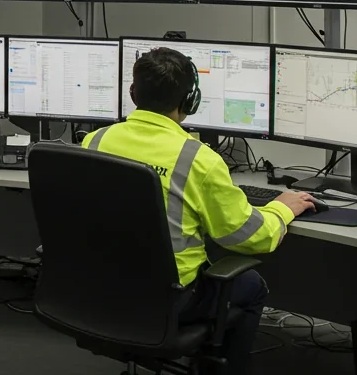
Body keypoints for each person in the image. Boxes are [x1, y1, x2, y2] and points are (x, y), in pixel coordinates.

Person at [82, 47, 316, 375]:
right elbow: (247, 237)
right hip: (169, 300)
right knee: (251, 284)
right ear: (189, 102)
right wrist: (281, 209)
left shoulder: (94, 141)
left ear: (133, 93)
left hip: (99, 288)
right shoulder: (198, 160)